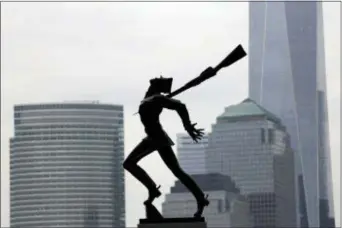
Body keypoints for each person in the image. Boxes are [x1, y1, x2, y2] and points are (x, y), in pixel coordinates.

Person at [123, 67, 215, 218]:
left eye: (154, 84)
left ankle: (196, 197)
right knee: (173, 170)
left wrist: (188, 126)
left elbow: (181, 106)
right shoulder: (151, 99)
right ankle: (155, 189)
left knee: (173, 170)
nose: (150, 85)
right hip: (152, 137)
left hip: (157, 138)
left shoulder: (157, 99)